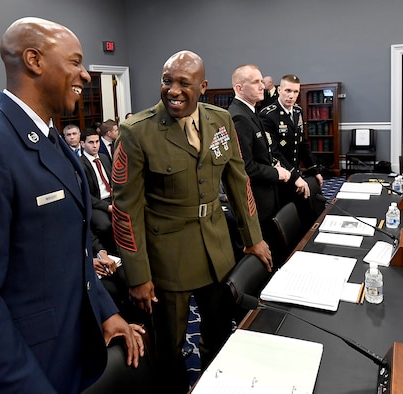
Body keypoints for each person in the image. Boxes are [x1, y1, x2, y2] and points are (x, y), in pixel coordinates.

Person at [0, 17, 144, 393]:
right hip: (15, 371)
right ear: (34, 60)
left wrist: (105, 312)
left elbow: (69, 253)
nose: (85, 74)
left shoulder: (51, 140)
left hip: (66, 350)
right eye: (75, 61)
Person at [112, 50, 272, 393]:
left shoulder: (220, 120)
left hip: (216, 251)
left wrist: (253, 237)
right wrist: (138, 275)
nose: (173, 90)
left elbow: (237, 179)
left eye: (184, 83)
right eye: (167, 81)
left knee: (218, 335)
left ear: (203, 86)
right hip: (167, 259)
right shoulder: (137, 131)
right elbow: (126, 210)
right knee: (170, 349)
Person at [228, 64, 294, 266]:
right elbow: (246, 167)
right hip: (255, 199)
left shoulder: (250, 111)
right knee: (260, 259)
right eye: (255, 82)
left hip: (266, 195)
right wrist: (277, 173)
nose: (262, 86)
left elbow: (262, 154)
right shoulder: (238, 116)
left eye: (261, 81)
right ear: (239, 88)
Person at [259, 74, 325, 228]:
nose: (291, 95)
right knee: (284, 220)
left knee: (304, 215)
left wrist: (314, 170)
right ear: (279, 90)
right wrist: (295, 176)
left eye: (296, 92)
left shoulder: (297, 112)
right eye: (288, 90)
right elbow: (273, 152)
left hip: (296, 172)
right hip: (279, 177)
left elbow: (302, 144)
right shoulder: (267, 115)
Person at [79, 127, 116, 254]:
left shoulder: (104, 158)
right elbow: (84, 194)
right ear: (82, 144)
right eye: (91, 142)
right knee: (105, 225)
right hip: (96, 202)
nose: (95, 145)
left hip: (112, 197)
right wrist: (107, 207)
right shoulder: (79, 164)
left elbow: (113, 181)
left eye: (97, 141)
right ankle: (110, 253)